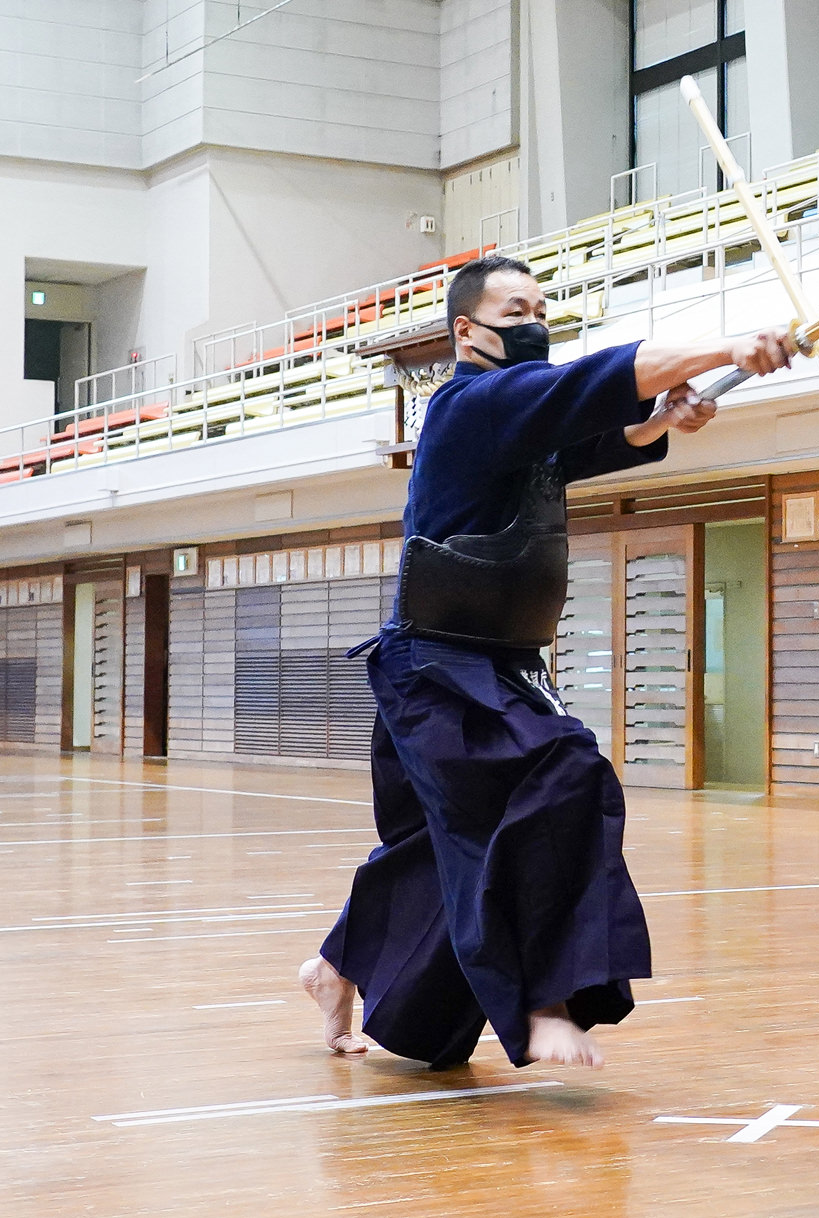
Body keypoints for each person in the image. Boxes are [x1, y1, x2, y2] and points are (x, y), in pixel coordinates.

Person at [301, 253, 790, 1069]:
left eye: (541, 309)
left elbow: (594, 436)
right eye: (516, 310)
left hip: (501, 663)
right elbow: (597, 382)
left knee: (433, 846)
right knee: (561, 772)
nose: (535, 323)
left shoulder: (517, 424)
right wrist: (728, 347)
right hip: (438, 667)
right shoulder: (468, 405)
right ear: (468, 330)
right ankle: (542, 1002)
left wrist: (660, 419)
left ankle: (335, 965)